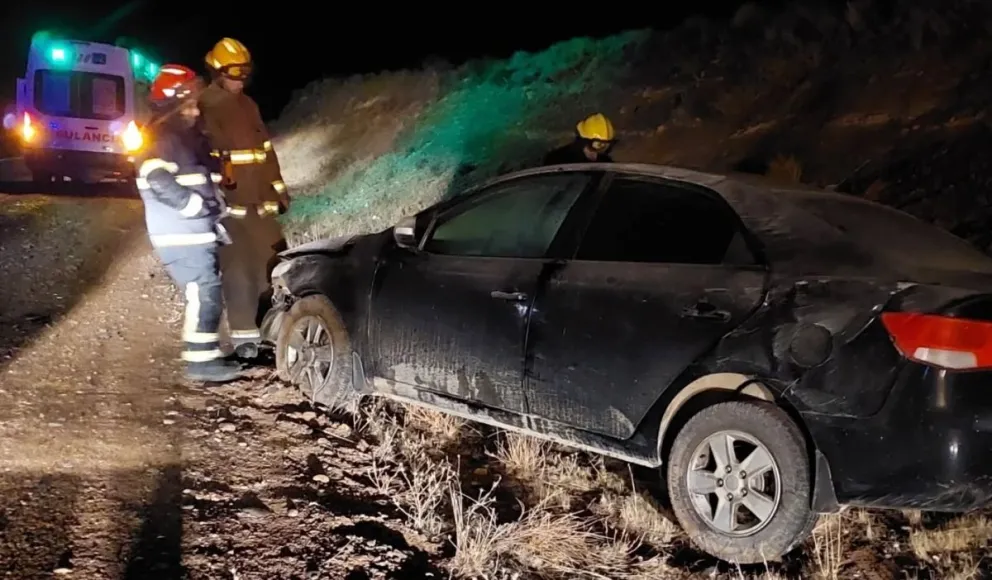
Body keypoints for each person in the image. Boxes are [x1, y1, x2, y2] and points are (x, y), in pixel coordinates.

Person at [136, 64, 242, 383]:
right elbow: (155, 176)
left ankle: (206, 355)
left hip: (193, 232)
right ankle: (200, 363)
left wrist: (218, 206)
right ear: (173, 103)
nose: (196, 110)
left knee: (207, 291)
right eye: (190, 104)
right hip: (180, 233)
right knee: (203, 291)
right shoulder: (161, 136)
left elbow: (200, 178)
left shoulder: (181, 137)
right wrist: (192, 205)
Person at [198, 37, 290, 361]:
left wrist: (278, 190)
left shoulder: (248, 105)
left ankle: (271, 331)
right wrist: (214, 191)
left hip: (260, 204)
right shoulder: (206, 104)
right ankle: (244, 339)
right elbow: (204, 155)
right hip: (229, 207)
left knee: (275, 262)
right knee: (237, 270)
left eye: (243, 73)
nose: (238, 80)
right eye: (233, 73)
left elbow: (265, 152)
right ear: (218, 72)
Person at [543, 113, 617, 165]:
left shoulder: (606, 164)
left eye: (606, 145)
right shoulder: (558, 160)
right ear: (584, 141)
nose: (602, 148)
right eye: (599, 144)